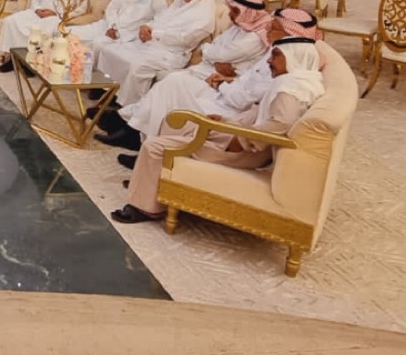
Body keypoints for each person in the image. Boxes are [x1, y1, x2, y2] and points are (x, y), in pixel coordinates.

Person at [111, 35, 325, 224]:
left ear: (294, 58)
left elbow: (280, 124)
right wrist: (226, 121)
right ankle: (150, 183)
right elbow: (263, 117)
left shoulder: (289, 90)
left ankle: (146, 208)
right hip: (241, 132)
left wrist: (239, 141)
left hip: (246, 151)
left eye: (276, 55)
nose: (269, 60)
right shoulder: (300, 83)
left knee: (154, 147)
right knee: (175, 122)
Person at [100, 7, 317, 153]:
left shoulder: (288, 63)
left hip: (231, 109)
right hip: (225, 91)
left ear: (289, 33)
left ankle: (138, 137)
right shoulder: (276, 52)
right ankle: (135, 131)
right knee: (173, 82)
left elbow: (245, 98)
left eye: (274, 27)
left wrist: (223, 83)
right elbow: (244, 77)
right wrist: (227, 79)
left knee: (173, 88)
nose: (267, 29)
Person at [96, 0, 216, 106]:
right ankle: (109, 92)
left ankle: (126, 106)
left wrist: (154, 33)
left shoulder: (205, 17)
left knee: (137, 65)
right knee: (112, 50)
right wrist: (147, 27)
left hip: (172, 54)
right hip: (153, 44)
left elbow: (183, 39)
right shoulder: (180, 5)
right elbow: (160, 19)